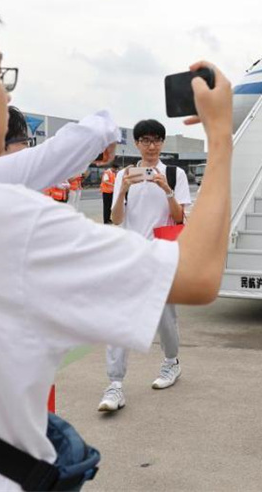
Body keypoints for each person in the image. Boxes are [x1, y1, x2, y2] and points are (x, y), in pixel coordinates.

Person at [0, 0, 233, 490]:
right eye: (0, 72)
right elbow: (198, 275)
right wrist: (221, 139)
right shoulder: (1, 222)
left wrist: (98, 131)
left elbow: (22, 168)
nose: (5, 90)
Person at [99, 119, 193, 412]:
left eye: (156, 140)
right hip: (130, 255)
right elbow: (116, 219)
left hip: (161, 254)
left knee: (164, 318)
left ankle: (171, 362)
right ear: (137, 144)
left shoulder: (175, 175)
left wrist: (166, 189)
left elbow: (180, 218)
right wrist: (123, 190)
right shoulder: (125, 175)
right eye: (145, 141)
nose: (151, 146)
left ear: (162, 143)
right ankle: (115, 385)